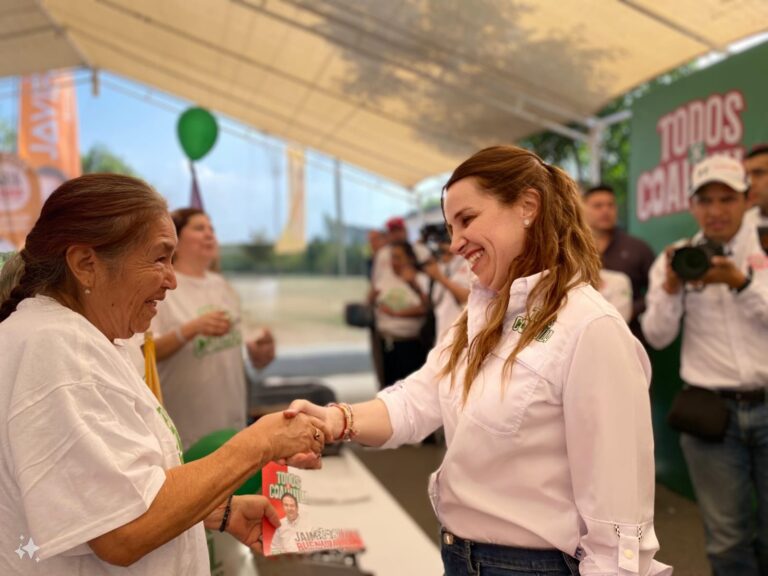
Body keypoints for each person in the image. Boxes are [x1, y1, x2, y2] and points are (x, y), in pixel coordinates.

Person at [288, 146, 671, 576]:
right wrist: (334, 420)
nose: (455, 244)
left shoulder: (591, 327)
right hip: (461, 557)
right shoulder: (479, 314)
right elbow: (419, 397)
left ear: (528, 206)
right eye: (451, 227)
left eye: (467, 220)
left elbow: (620, 525)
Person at [0, 174, 327, 575]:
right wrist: (261, 443)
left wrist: (218, 512)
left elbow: (100, 496)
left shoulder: (73, 339)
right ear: (86, 265)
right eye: (159, 258)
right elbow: (122, 533)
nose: (171, 280)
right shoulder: (59, 348)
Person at [642, 155, 768, 575]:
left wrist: (742, 284)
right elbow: (656, 335)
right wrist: (673, 288)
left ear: (747, 199)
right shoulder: (677, 259)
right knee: (727, 536)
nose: (716, 211)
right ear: (692, 206)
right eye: (706, 200)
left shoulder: (765, 246)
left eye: (727, 198)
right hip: (712, 416)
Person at [150, 208, 276, 450]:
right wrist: (190, 330)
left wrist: (260, 352)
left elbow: (245, 351)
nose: (209, 234)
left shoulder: (222, 286)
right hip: (187, 428)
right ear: (175, 238)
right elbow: (147, 351)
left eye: (212, 229)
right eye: (199, 228)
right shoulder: (163, 286)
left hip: (232, 423)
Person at [582, 184, 655, 337]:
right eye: (598, 206)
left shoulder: (637, 248)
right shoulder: (571, 250)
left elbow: (657, 289)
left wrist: (630, 309)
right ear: (583, 208)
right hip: (583, 335)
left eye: (610, 205)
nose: (605, 210)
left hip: (629, 335)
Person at [372, 240, 430, 388]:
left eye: (398, 257)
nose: (394, 262)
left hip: (410, 345)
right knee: (388, 389)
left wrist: (396, 313)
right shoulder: (386, 277)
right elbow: (373, 300)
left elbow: (426, 308)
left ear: (410, 258)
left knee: (409, 389)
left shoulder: (420, 279)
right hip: (386, 343)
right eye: (392, 257)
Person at [421, 225, 472, 340]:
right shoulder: (440, 266)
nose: (442, 254)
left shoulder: (466, 262)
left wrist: (440, 278)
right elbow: (432, 301)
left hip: (462, 332)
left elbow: (467, 298)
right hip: (442, 330)